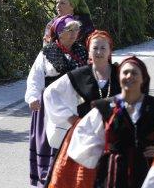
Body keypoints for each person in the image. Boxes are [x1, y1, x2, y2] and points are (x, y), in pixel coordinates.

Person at [68, 56, 154, 187]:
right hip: (112, 172)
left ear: (143, 78)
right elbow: (83, 133)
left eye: (134, 73)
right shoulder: (106, 107)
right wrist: (99, 155)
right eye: (125, 72)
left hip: (146, 172)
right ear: (118, 77)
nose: (129, 76)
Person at [44, 30, 121, 188]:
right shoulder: (80, 75)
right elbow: (50, 94)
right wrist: (70, 118)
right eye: (95, 48)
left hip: (116, 135)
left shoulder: (120, 74)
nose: (99, 52)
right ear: (89, 51)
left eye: (103, 48)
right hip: (84, 135)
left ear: (110, 50)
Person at [25, 15, 89, 187]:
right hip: (49, 107)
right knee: (51, 142)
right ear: (59, 32)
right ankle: (47, 179)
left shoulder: (82, 51)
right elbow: (35, 78)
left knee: (72, 143)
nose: (74, 33)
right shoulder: (48, 52)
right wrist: (32, 97)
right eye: (70, 30)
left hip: (75, 105)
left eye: (76, 30)